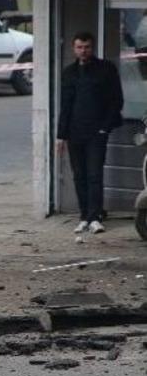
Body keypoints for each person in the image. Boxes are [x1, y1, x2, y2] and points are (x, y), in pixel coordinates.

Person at [56, 31, 124, 235]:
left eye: (86, 47)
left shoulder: (106, 69)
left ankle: (95, 217)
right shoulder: (69, 73)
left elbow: (116, 100)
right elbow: (65, 106)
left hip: (96, 132)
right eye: (79, 47)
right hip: (75, 133)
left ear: (92, 48)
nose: (83, 51)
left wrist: (105, 128)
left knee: (94, 175)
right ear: (73, 48)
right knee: (79, 176)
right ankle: (84, 216)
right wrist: (61, 136)